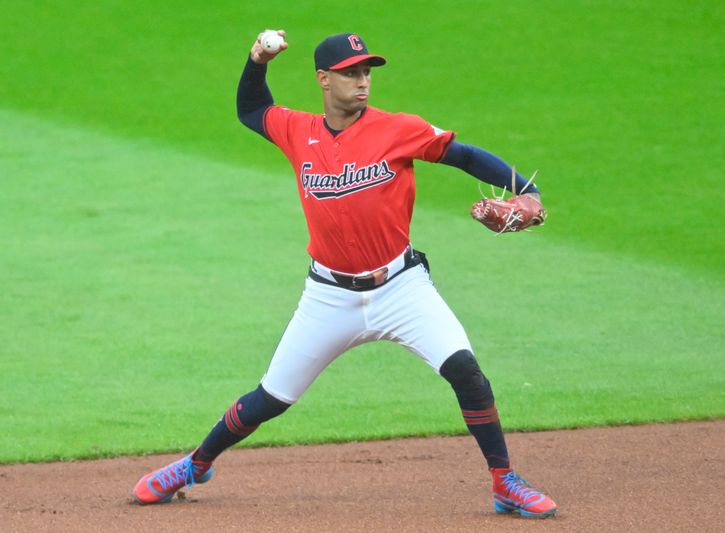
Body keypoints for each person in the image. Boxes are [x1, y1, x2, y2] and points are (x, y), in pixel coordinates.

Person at [132, 29, 557, 519]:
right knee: (269, 398)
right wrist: (257, 60)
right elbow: (251, 109)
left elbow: (464, 155)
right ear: (323, 79)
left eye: (367, 72)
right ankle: (195, 465)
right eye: (351, 72)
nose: (362, 81)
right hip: (328, 297)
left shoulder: (399, 128)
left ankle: (504, 482)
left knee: (466, 371)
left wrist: (527, 190)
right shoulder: (297, 130)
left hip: (401, 287)